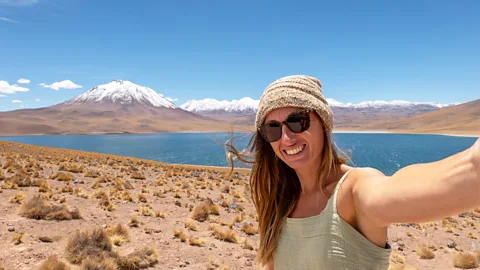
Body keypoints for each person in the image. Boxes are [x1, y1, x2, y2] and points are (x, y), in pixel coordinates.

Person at [225, 75, 480, 270]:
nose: (287, 137)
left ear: (323, 123)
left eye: (297, 121)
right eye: (273, 129)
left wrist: (474, 166)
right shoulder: (279, 200)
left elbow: (406, 188)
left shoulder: (353, 191)